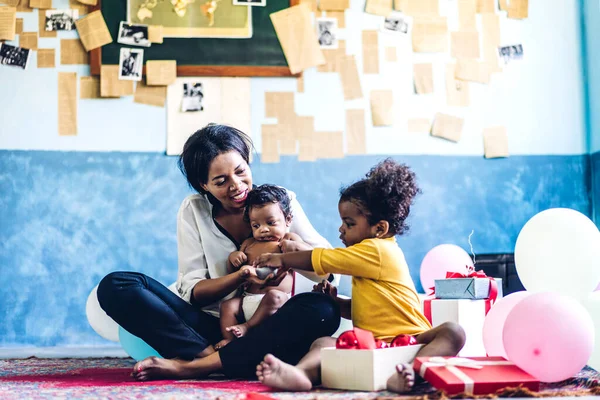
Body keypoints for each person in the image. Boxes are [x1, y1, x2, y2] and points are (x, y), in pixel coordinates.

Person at [97, 124, 340, 381]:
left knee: (323, 309)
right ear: (204, 185)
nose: (236, 186)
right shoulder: (194, 210)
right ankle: (215, 356)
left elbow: (330, 267)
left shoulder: (279, 201)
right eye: (221, 181)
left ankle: (194, 366)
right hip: (216, 329)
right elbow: (194, 292)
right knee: (117, 285)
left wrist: (290, 257)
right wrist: (240, 277)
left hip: (275, 322)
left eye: (240, 172)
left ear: (248, 163)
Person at [254, 159, 466, 393]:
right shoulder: (366, 258)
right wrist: (337, 303)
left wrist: (282, 259)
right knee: (323, 344)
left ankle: (411, 372)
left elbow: (323, 259)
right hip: (371, 348)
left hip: (412, 341)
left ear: (380, 228)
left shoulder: (378, 250)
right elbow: (369, 307)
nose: (341, 229)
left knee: (453, 331)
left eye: (349, 223)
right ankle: (302, 373)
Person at [215, 184, 301, 350]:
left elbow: (305, 256)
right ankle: (230, 341)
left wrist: (288, 252)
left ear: (288, 220)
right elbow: (234, 270)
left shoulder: (288, 240)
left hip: (277, 303)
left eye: (270, 223)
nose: (263, 230)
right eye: (256, 225)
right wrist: (234, 258)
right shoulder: (248, 244)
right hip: (248, 299)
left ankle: (247, 327)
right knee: (227, 306)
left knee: (275, 296)